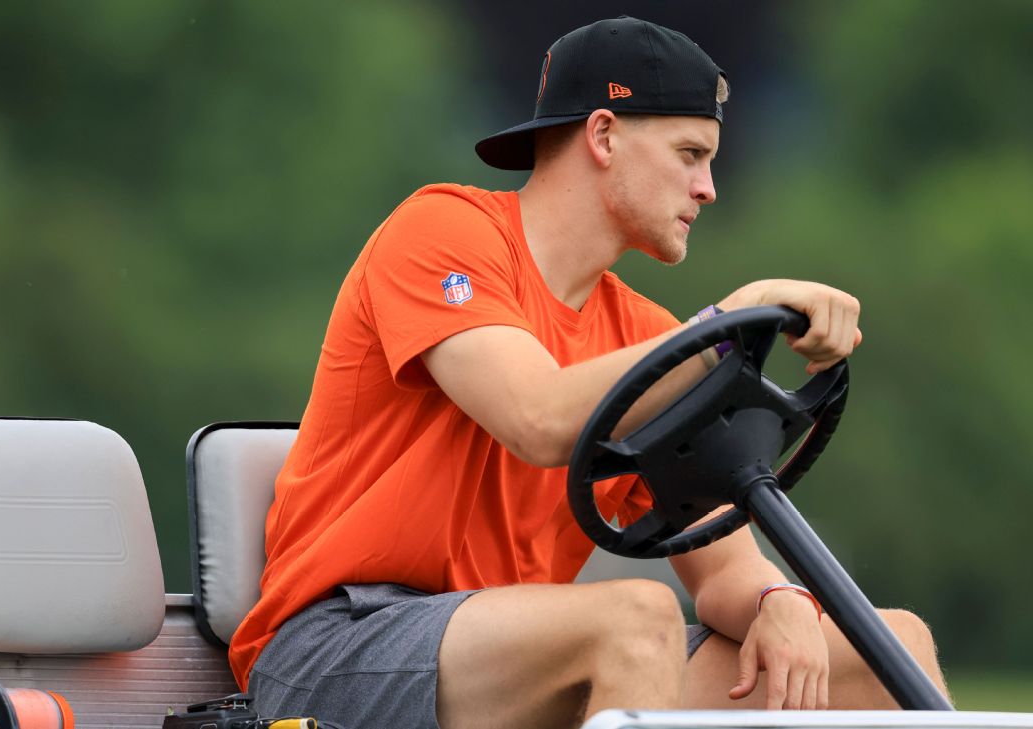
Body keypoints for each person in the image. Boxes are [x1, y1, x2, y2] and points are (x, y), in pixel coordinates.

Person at [230, 16, 949, 729]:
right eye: (690, 153)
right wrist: (734, 318)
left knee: (890, 651)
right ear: (604, 136)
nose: (709, 189)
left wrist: (776, 600)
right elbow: (536, 417)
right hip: (335, 647)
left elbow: (723, 560)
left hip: (518, 663)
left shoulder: (652, 338)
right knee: (635, 616)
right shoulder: (440, 232)